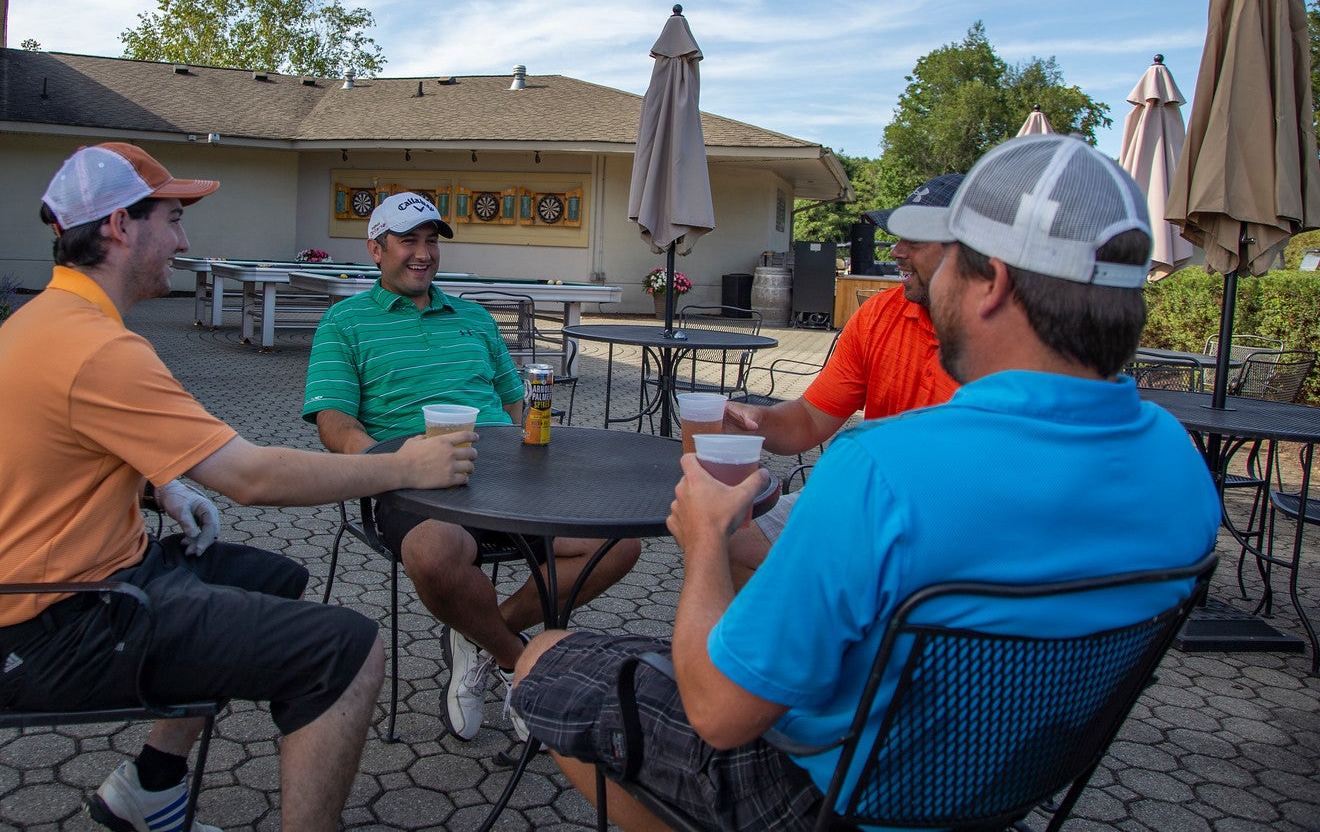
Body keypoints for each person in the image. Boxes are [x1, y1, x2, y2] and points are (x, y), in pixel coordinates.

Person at [509, 135, 1221, 832]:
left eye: (949, 261)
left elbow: (719, 715)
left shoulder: (883, 471)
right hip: (997, 785)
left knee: (544, 658)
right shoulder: (1181, 465)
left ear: (993, 283)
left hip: (832, 795)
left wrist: (704, 540)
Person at [0, 143, 476, 832]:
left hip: (48, 599)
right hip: (61, 630)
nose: (184, 240)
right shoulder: (98, 348)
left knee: (275, 576)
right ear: (120, 225)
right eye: (173, 219)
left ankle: (149, 790)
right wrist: (405, 467)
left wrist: (158, 489)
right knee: (348, 649)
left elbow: (61, 448)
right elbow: (251, 477)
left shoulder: (48, 323)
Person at [303, 192, 640, 741]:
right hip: (411, 480)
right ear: (376, 248)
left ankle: (479, 633)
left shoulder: (475, 317)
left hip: (503, 472)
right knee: (435, 550)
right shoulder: (345, 322)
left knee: (618, 543)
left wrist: (544, 451)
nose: (423, 253)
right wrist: (386, 468)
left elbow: (514, 401)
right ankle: (518, 664)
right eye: (408, 240)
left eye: (431, 241)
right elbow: (334, 422)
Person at [726, 175, 965, 584]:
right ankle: (781, 646)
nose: (897, 252)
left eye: (915, 241)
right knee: (734, 542)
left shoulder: (1002, 339)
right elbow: (810, 420)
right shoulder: (880, 314)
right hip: (867, 501)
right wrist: (755, 422)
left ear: (969, 252)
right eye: (897, 237)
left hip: (949, 527)